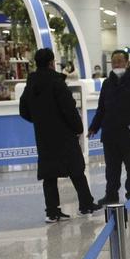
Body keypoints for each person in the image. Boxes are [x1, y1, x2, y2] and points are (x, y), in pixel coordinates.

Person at [19, 48, 102, 222]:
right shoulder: (56, 82)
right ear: (51, 62)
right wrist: (78, 127)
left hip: (44, 136)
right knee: (76, 169)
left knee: (49, 174)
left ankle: (52, 211)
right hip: (64, 134)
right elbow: (68, 108)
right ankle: (86, 205)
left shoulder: (31, 83)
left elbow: (23, 110)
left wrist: (40, 122)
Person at [88, 49, 130, 204]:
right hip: (110, 133)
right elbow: (101, 108)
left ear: (127, 63)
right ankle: (111, 194)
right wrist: (94, 127)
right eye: (114, 61)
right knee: (111, 169)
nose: (117, 64)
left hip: (129, 133)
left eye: (120, 61)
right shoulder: (107, 84)